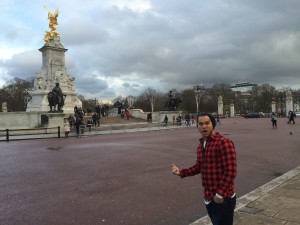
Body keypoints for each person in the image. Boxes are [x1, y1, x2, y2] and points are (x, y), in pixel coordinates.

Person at [171, 112, 237, 225]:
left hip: (223, 198)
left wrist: (219, 195)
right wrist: (181, 172)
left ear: (213, 124)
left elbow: (231, 171)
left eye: (207, 123)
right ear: (197, 126)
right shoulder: (201, 145)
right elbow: (199, 167)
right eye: (201, 124)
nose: (204, 127)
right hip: (209, 197)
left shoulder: (223, 142)